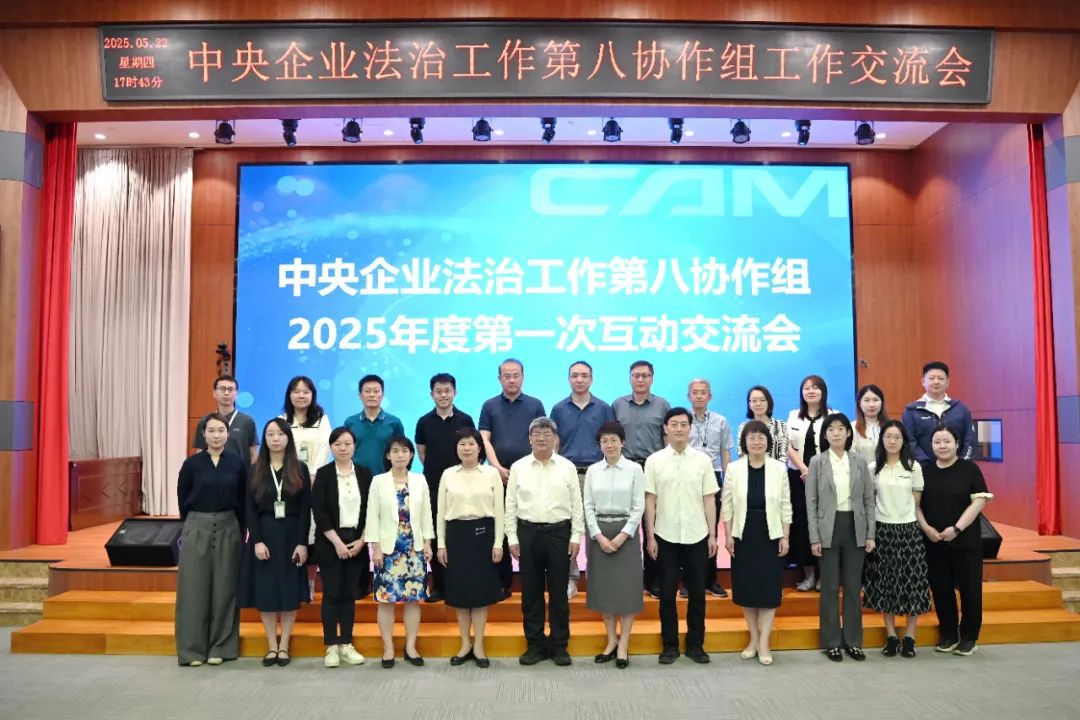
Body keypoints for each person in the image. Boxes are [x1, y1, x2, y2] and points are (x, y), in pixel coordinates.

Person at [505, 417, 584, 667]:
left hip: (559, 533)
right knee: (531, 593)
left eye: (547, 434)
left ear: (555, 439)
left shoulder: (567, 467)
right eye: (536, 434)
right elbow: (510, 505)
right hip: (527, 534)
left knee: (559, 592)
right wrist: (512, 537)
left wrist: (576, 536)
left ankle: (559, 646)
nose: (541, 438)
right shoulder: (518, 467)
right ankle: (535, 645)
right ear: (529, 439)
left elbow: (577, 505)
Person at [644, 407, 719, 665]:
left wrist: (712, 535)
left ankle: (696, 645)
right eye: (673, 424)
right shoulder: (654, 461)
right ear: (665, 428)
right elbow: (650, 501)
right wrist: (650, 536)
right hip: (665, 535)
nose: (678, 428)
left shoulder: (703, 461)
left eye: (683, 424)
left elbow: (709, 500)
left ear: (690, 428)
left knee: (697, 592)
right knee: (666, 593)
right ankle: (670, 645)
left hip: (697, 535)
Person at [175, 412, 247, 667]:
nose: (217, 436)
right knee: (193, 590)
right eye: (212, 431)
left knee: (225, 589)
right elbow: (183, 500)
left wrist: (241, 530)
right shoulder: (192, 464)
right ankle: (191, 650)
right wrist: (193, 525)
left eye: (221, 430)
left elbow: (243, 499)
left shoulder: (237, 464)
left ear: (228, 434)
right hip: (198, 527)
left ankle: (221, 647)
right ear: (203, 434)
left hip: (229, 527)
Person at [239, 418, 311, 668]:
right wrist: (257, 541)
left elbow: (305, 509)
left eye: (280, 434)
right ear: (265, 439)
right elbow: (249, 509)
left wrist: (302, 543)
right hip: (265, 535)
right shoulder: (255, 469)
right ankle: (271, 645)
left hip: (292, 535)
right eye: (270, 434)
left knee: (289, 591)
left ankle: (284, 645)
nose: (275, 439)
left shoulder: (300, 468)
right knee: (266, 591)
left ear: (288, 437)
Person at [806, 412, 876, 662]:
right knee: (829, 587)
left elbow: (868, 499)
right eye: (831, 429)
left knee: (853, 586)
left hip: (855, 526)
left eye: (840, 429)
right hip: (828, 528)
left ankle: (854, 641)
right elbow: (811, 502)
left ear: (848, 433)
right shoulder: (817, 461)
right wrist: (814, 538)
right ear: (825, 435)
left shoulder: (859, 461)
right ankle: (831, 641)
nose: (836, 433)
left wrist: (870, 534)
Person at [919, 425, 993, 656]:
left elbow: (979, 502)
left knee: (970, 590)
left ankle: (969, 637)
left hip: (965, 541)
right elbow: (916, 505)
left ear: (957, 444)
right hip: (934, 541)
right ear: (931, 445)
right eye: (937, 442)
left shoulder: (969, 469)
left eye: (947, 441)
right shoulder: (925, 471)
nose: (942, 446)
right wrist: (927, 529)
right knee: (941, 590)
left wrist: (957, 528)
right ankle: (948, 634)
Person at [721, 420, 791, 666]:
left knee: (769, 591)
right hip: (743, 533)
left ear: (768, 442)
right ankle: (753, 638)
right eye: (752, 437)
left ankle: (764, 642)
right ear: (745, 442)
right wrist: (728, 535)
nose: (757, 441)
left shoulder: (779, 469)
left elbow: (785, 505)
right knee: (747, 590)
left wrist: (785, 535)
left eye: (761, 437)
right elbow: (727, 505)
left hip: (770, 533)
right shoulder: (734, 469)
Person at [479, 358, 545, 598]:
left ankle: (534, 581)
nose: (511, 380)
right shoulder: (489, 406)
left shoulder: (535, 405)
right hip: (499, 476)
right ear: (500, 379)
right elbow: (484, 439)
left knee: (530, 526)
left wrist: (525, 468)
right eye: (506, 376)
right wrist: (496, 467)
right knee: (501, 527)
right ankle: (503, 583)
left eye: (516, 375)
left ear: (523, 377)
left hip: (529, 476)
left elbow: (542, 437)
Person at [863, 420, 930, 658]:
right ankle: (891, 636)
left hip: (909, 530)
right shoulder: (873, 468)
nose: (892, 441)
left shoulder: (913, 467)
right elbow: (869, 502)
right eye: (888, 437)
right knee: (886, 584)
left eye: (897, 437)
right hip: (882, 530)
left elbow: (916, 502)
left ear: (904, 441)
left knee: (913, 583)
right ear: (881, 440)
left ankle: (910, 636)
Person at [437, 428, 504, 668]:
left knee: (480, 595)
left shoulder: (491, 474)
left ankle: (479, 646)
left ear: (479, 448)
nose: (467, 448)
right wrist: (441, 544)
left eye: (471, 444)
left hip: (483, 535)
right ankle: (465, 644)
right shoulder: (448, 474)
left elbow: (499, 511)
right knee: (460, 594)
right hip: (456, 536)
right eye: (462, 444)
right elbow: (440, 513)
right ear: (456, 448)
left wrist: (498, 543)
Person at [366, 435, 434, 668]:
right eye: (395, 451)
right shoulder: (378, 481)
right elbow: (372, 516)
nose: (400, 455)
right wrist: (375, 547)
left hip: (414, 549)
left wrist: (428, 543)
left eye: (405, 451)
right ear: (388, 455)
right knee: (386, 601)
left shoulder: (420, 480)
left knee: (413, 601)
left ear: (411, 454)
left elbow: (426, 514)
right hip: (388, 550)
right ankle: (388, 648)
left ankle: (410, 647)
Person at [550, 360, 615, 599]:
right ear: (569, 379)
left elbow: (611, 441)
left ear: (591, 379)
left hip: (598, 475)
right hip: (568, 475)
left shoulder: (604, 408)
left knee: (597, 528)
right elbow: (555, 442)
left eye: (584, 375)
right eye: (575, 375)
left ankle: (598, 578)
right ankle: (571, 579)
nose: (579, 379)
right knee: (569, 529)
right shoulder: (558, 409)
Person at [583, 421, 645, 669]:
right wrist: (598, 536)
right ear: (599, 445)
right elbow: (587, 506)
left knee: (626, 592)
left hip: (626, 536)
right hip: (599, 535)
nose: (609, 445)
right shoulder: (592, 471)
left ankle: (623, 645)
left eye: (614, 440)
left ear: (623, 442)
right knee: (605, 591)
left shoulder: (634, 469)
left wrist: (622, 536)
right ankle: (611, 641)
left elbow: (638, 506)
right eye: (604, 441)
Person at [311, 427, 372, 669]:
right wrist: (337, 542)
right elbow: (319, 512)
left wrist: (363, 540)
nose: (343, 448)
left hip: (357, 541)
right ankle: (331, 646)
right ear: (331, 447)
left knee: (349, 594)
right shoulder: (324, 474)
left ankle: (346, 643)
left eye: (347, 443)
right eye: (338, 444)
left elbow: (371, 510)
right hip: (330, 543)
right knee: (332, 594)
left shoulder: (365, 474)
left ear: (354, 446)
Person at [415, 372, 476, 603]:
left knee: (459, 535)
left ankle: (460, 584)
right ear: (431, 394)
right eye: (438, 391)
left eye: (447, 390)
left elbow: (472, 449)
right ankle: (439, 585)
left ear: (455, 392)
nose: (443, 395)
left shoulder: (465, 420)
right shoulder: (424, 422)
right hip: (432, 487)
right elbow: (422, 453)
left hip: (461, 488)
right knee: (434, 535)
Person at [613, 360, 671, 598]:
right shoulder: (618, 405)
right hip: (624, 469)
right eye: (636, 375)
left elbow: (667, 439)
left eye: (645, 375)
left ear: (652, 378)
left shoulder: (662, 405)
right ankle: (625, 579)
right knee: (624, 524)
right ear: (630, 378)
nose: (640, 379)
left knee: (652, 525)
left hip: (652, 468)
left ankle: (653, 580)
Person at [279, 375, 332, 597]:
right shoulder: (281, 420)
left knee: (312, 534)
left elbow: (325, 446)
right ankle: (290, 583)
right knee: (291, 531)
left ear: (312, 395)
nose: (301, 396)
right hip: (288, 483)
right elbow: (278, 447)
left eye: (306, 392)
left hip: (314, 481)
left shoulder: (321, 419)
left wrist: (313, 473)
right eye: (296, 391)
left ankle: (309, 585)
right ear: (289, 395)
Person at [786, 374, 835, 591]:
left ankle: (824, 573)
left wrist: (817, 472)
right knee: (802, 524)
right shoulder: (793, 416)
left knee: (825, 524)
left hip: (827, 477)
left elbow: (838, 445)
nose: (811, 391)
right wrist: (804, 469)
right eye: (806, 388)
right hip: (798, 477)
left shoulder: (834, 416)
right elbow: (788, 446)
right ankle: (808, 574)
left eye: (815, 387)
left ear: (823, 392)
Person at [687, 378, 732, 598]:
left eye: (703, 392)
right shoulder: (682, 420)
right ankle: (689, 582)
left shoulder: (721, 421)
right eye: (695, 392)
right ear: (688, 396)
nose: (699, 396)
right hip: (687, 477)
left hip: (713, 475)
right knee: (688, 529)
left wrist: (727, 480)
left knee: (711, 529)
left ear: (710, 396)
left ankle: (710, 580)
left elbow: (725, 451)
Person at [901, 361, 976, 463]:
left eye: (940, 378)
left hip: (958, 468)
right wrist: (927, 466)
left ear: (947, 382)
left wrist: (962, 464)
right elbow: (910, 442)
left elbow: (970, 440)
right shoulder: (912, 411)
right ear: (923, 381)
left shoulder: (961, 409)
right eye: (931, 378)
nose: (936, 382)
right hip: (924, 469)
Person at [344, 374, 406, 478]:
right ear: (360, 395)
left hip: (387, 479)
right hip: (355, 479)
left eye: (376, 391)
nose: (372, 395)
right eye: (367, 391)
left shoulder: (394, 423)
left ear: (383, 395)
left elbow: (401, 452)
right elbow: (344, 452)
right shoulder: (350, 423)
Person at [192, 375, 258, 464]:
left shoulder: (247, 421)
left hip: (240, 472)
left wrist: (247, 472)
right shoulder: (205, 421)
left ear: (236, 394)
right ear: (214, 393)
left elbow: (254, 455)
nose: (226, 393)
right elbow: (199, 452)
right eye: (222, 389)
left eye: (230, 389)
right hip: (211, 471)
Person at [736, 385, 789, 463]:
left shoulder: (781, 426)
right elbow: (741, 453)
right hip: (749, 469)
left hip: (776, 470)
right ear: (749, 404)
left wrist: (774, 469)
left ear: (768, 403)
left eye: (762, 400)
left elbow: (784, 455)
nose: (758, 404)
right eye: (754, 400)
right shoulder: (743, 427)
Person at [852, 384, 887, 465]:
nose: (871, 405)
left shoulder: (891, 427)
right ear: (859, 403)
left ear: (882, 403)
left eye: (875, 400)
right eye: (867, 400)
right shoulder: (852, 428)